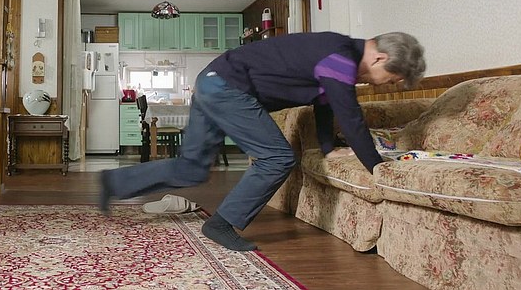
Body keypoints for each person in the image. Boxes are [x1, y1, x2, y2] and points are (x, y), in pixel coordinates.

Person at [99, 31, 426, 252]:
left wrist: (329, 148)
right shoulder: (340, 59)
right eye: (392, 80)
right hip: (227, 87)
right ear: (380, 58)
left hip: (211, 82)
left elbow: (325, 105)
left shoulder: (339, 55)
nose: (386, 85)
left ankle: (113, 182)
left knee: (192, 168)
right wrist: (378, 167)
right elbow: (351, 118)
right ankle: (222, 224)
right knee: (278, 158)